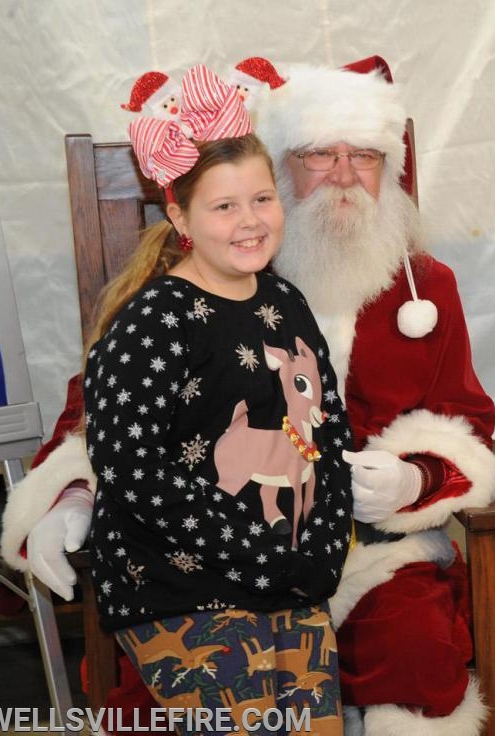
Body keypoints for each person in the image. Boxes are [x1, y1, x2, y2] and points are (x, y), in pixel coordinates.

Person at [1, 58, 495, 736]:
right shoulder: (185, 289)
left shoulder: (421, 286)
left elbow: (462, 420)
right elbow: (105, 423)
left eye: (366, 156)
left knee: (409, 646)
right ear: (283, 167)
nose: (346, 175)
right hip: (201, 561)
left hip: (368, 552)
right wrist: (71, 495)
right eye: (320, 155)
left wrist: (418, 477)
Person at [81, 64, 351, 734]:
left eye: (262, 200)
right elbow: (135, 476)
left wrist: (321, 548)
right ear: (179, 215)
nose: (250, 222)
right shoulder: (151, 323)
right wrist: (262, 557)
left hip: (288, 572)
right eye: (224, 207)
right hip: (179, 580)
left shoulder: (285, 301)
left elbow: (328, 431)